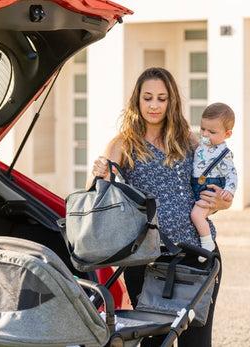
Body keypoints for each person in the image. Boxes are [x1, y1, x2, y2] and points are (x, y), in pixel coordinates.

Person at [90, 67, 231, 346]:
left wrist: (221, 202)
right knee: (154, 342)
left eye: (162, 98)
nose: (154, 105)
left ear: (171, 102)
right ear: (137, 101)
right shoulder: (121, 144)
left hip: (197, 254)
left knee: (197, 342)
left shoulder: (191, 141)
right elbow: (98, 198)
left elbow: (214, 194)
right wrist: (99, 175)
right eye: (148, 97)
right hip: (146, 259)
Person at [191, 103, 237, 260]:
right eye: (203, 129)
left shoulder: (224, 154)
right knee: (197, 214)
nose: (205, 134)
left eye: (211, 131)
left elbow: (232, 174)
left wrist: (229, 191)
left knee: (196, 215)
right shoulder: (202, 144)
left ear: (227, 134)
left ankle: (207, 244)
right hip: (197, 184)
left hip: (209, 186)